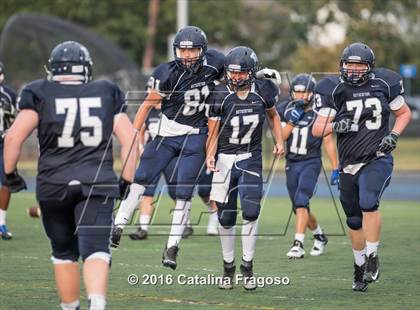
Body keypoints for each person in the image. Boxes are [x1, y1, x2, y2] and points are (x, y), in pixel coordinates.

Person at [4, 41, 137, 310]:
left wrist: (10, 175)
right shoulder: (106, 91)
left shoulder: (38, 91)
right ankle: (97, 303)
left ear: (53, 69)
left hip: (53, 184)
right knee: (97, 248)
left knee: (64, 252)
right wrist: (126, 181)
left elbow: (14, 138)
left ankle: (70, 306)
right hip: (96, 182)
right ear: (86, 69)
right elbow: (132, 141)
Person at [111, 26, 225, 270]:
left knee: (184, 193)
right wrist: (133, 135)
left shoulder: (216, 62)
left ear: (202, 51)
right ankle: (118, 225)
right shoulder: (167, 74)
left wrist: (258, 74)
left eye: (192, 50)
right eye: (182, 50)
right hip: (165, 134)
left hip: (195, 136)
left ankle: (172, 246)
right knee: (141, 179)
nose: (186, 55)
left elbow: (238, 71)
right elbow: (145, 106)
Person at [312, 42, 411, 291]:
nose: (354, 69)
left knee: (369, 201)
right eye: (350, 64)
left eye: (360, 65)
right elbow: (316, 129)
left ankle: (373, 256)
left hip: (377, 157)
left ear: (369, 67)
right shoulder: (333, 89)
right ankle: (359, 267)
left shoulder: (384, 83)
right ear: (342, 65)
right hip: (348, 164)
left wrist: (394, 135)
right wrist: (335, 126)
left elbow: (404, 113)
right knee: (354, 221)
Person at [206, 46, 284, 290]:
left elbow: (273, 116)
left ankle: (247, 266)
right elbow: (213, 130)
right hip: (224, 159)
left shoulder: (263, 90)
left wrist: (280, 140)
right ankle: (228, 266)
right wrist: (209, 154)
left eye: (241, 73)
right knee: (226, 217)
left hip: (251, 157)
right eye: (233, 73)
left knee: (251, 211)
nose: (236, 77)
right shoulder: (219, 94)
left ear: (252, 72)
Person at [277, 73, 339, 258]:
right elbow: (282, 136)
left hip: (311, 162)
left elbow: (328, 142)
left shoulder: (321, 112)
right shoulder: (286, 110)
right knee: (298, 207)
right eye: (297, 92)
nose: (301, 96)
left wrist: (336, 167)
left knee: (302, 199)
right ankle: (319, 235)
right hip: (292, 162)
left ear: (312, 94)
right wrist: (293, 119)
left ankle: (298, 244)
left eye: (305, 92)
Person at [0, 61, 17, 240]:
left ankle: (1, 222)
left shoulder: (9, 94)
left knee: (7, 182)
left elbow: (16, 120)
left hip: (3, 143)